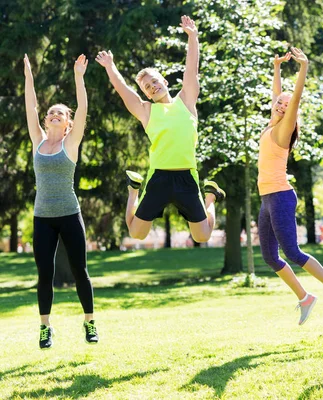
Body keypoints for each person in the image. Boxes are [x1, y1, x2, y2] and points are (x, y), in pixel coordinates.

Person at [95, 15, 225, 243]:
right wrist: (110, 66)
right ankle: (134, 189)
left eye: (154, 81)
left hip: (187, 176)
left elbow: (191, 71)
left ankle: (210, 197)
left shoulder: (186, 101)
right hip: (159, 178)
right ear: (146, 94)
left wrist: (193, 38)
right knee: (137, 233)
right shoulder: (146, 111)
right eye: (147, 87)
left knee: (202, 236)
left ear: (164, 81)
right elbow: (124, 90)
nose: (152, 87)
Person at [258, 49, 323, 325]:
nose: (281, 105)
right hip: (266, 199)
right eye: (279, 103)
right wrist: (276, 68)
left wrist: (304, 67)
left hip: (281, 197)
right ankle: (305, 298)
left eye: (286, 106)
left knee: (293, 252)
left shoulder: (283, 130)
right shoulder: (271, 121)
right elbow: (278, 95)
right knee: (270, 258)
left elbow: (293, 98)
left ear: (291, 114)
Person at [24, 54, 98, 349]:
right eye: (51, 112)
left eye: (60, 114)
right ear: (46, 120)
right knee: (45, 273)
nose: (55, 114)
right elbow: (31, 106)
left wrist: (78, 77)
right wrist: (29, 77)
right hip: (42, 217)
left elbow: (82, 109)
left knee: (80, 269)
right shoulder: (38, 141)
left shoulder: (71, 142)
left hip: (69, 214)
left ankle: (89, 322)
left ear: (67, 123)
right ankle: (45, 328)